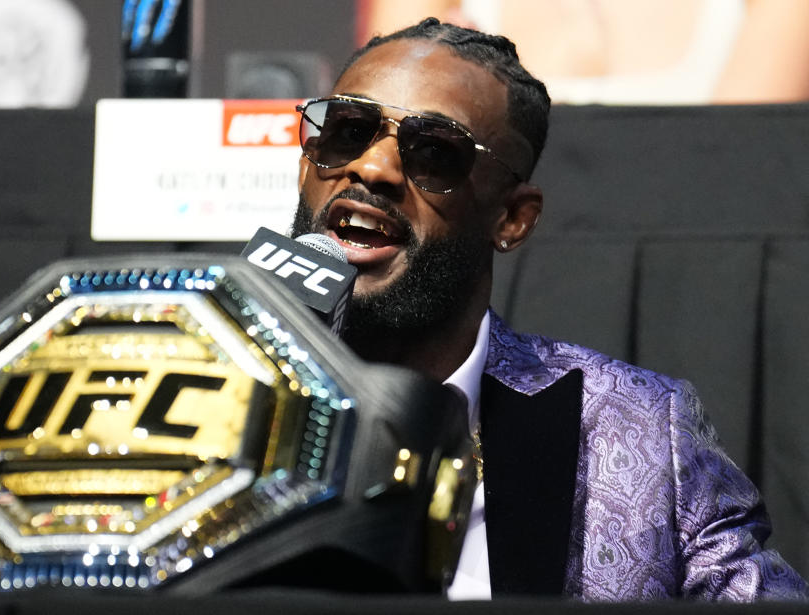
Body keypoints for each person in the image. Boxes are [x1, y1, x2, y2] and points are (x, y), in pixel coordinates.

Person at [290, 18, 808, 601]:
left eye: (434, 153)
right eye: (347, 131)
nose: (374, 168)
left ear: (512, 219)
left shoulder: (638, 430)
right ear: (308, 163)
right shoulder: (197, 375)